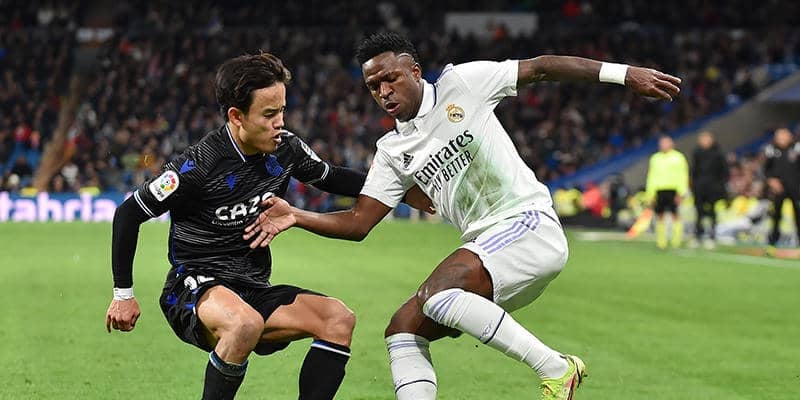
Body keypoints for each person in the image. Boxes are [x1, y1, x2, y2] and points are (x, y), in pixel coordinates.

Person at [246, 32, 680, 399]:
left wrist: (624, 74)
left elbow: (541, 67)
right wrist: (297, 216)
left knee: (435, 293)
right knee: (403, 329)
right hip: (491, 255)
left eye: (390, 78)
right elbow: (358, 223)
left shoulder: (462, 84)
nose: (383, 92)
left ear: (415, 71)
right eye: (373, 86)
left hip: (528, 225)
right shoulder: (393, 152)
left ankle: (557, 368)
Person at [104, 52, 429, 400]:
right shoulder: (198, 165)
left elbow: (332, 177)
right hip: (194, 287)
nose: (280, 123)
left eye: (282, 111)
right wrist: (123, 295)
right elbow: (128, 214)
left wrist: (401, 191)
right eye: (269, 114)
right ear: (236, 116)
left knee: (337, 318)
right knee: (244, 324)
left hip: (252, 287)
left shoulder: (286, 149)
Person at [646, 135, 689, 249]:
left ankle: (676, 241)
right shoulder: (655, 158)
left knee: (675, 215)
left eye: (666, 143)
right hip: (659, 190)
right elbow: (651, 176)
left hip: (673, 190)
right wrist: (650, 194)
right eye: (662, 143)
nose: (663, 145)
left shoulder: (678, 157)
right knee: (659, 215)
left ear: (671, 144)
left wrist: (681, 192)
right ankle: (661, 242)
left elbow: (683, 175)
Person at [764, 127, 800, 251]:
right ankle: (773, 241)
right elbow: (766, 170)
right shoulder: (771, 150)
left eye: (784, 135)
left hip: (795, 188)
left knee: (798, 214)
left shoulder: (797, 148)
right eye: (779, 136)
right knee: (776, 215)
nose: (782, 138)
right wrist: (771, 180)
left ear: (790, 136)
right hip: (778, 188)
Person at [690, 131, 728, 249]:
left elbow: (724, 171)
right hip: (699, 188)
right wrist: (694, 185)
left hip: (713, 188)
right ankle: (698, 236)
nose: (704, 142)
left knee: (712, 212)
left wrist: (719, 186)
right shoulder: (697, 153)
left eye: (706, 139)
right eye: (702, 139)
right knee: (698, 212)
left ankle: (712, 236)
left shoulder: (718, 153)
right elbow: (694, 171)